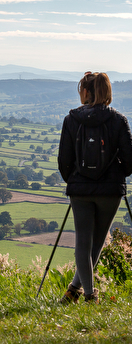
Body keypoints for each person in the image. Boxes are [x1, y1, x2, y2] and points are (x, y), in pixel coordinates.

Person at [58, 72, 132, 303]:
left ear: (86, 92)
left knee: (83, 242)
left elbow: (63, 161)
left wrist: (74, 179)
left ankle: (83, 293)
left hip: (80, 189)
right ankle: (79, 291)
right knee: (97, 243)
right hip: (110, 190)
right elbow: (129, 163)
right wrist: (116, 172)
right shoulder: (119, 121)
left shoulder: (71, 120)